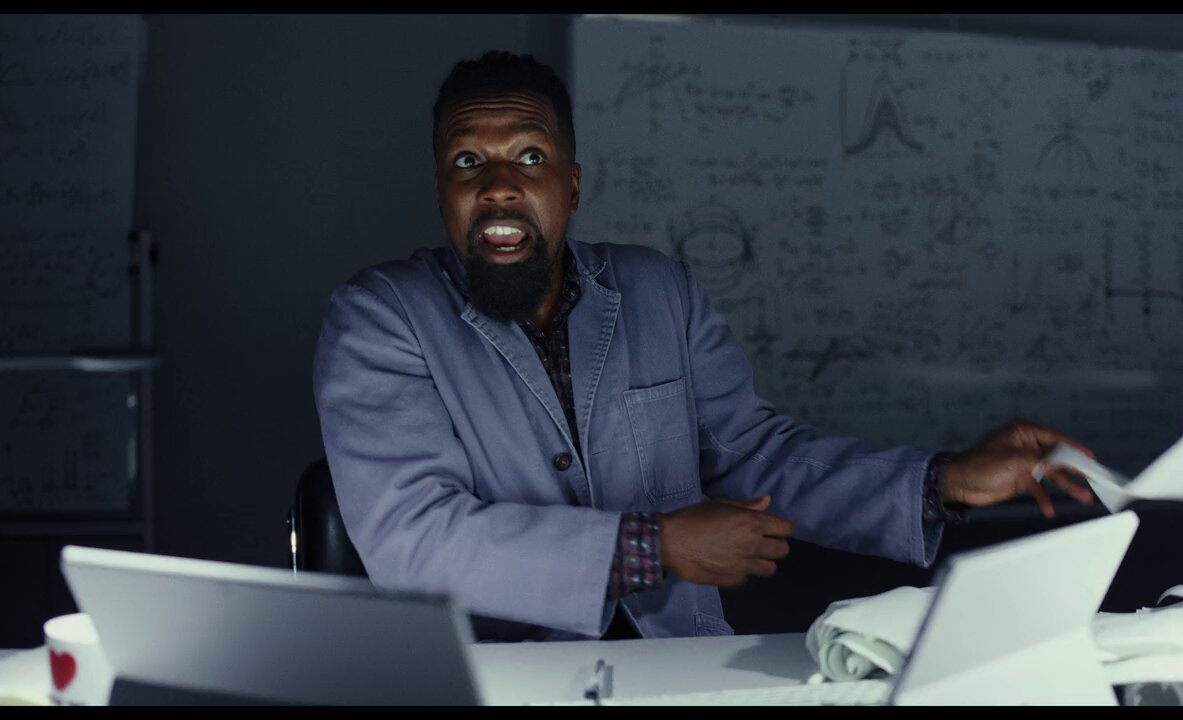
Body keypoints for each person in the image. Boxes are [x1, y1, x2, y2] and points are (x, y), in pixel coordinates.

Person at [312, 50, 1095, 642]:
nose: (498, 185)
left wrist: (944, 480)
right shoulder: (380, 318)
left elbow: (758, 457)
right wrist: (650, 548)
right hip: (491, 680)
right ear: (441, 189)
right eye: (467, 161)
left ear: (572, 186)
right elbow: (418, 539)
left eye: (529, 156)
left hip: (679, 669)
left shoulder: (658, 291)